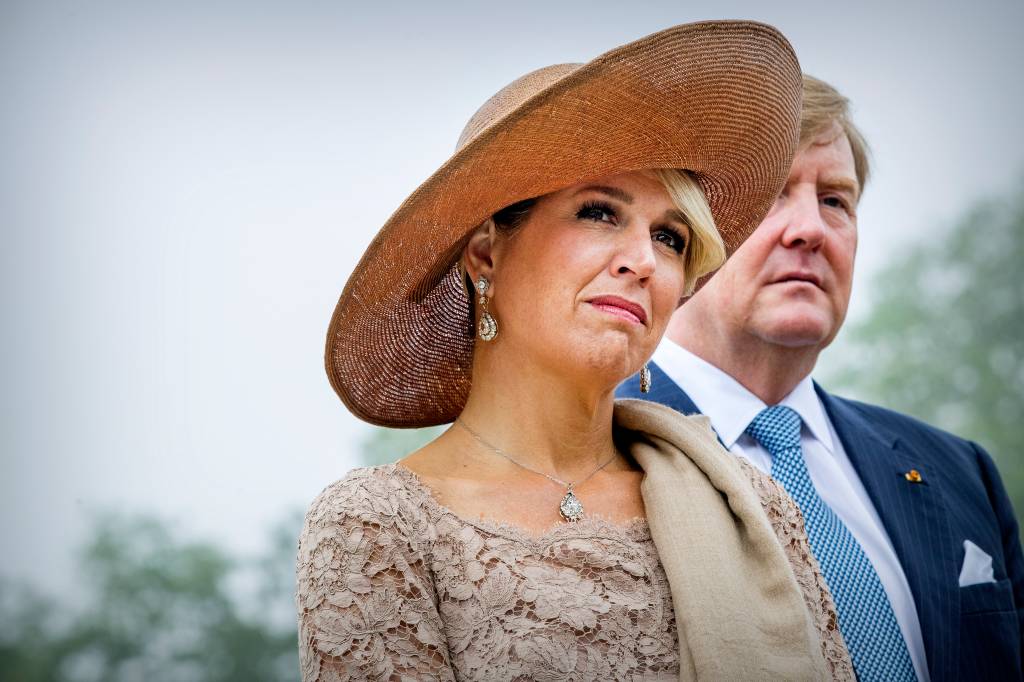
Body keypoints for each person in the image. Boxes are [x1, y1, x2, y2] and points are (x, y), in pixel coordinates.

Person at [297, 22, 855, 682]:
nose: (644, 261)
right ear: (486, 252)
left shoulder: (752, 506)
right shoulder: (378, 527)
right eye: (599, 212)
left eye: (672, 238)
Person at [619, 74, 1024, 681]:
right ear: (681, 234)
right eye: (772, 194)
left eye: (835, 200)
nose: (810, 228)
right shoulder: (592, 454)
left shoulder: (961, 470)